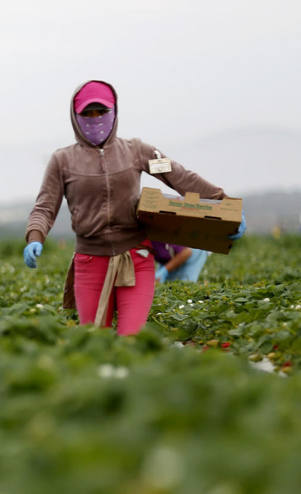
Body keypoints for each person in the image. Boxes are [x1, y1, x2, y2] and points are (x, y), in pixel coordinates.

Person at [23, 80, 245, 335]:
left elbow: (180, 177)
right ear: (75, 117)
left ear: (114, 112)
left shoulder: (137, 152)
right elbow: (45, 206)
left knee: (131, 338)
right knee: (95, 342)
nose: (95, 119)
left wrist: (224, 203)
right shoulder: (62, 161)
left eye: (101, 112)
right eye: (87, 113)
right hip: (90, 262)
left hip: (136, 258)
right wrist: (35, 236)